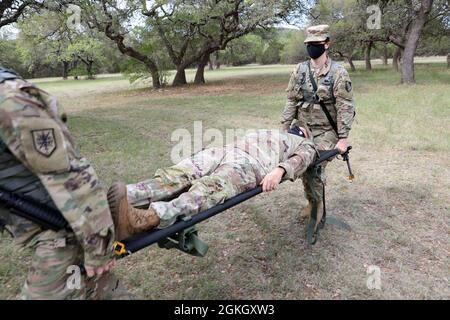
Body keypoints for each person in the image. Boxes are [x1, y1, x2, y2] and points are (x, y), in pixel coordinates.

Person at [0, 67, 131, 299]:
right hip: (36, 224)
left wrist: (99, 246)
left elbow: (70, 174)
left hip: (61, 227)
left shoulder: (8, 100)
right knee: (98, 290)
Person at [107, 127, 318, 240]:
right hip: (223, 150)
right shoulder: (275, 130)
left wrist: (279, 170)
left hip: (250, 165)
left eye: (303, 128)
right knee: (176, 174)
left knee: (207, 190)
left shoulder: (302, 143)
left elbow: (304, 158)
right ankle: (125, 196)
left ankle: (145, 219)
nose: (298, 127)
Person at [279, 24, 355, 226]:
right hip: (302, 127)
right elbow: (291, 101)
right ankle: (312, 202)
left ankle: (317, 206)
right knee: (300, 163)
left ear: (327, 44)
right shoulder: (300, 70)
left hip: (326, 131)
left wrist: (343, 138)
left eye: (317, 44)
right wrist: (284, 129)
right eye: (309, 44)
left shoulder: (338, 73)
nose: (312, 47)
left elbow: (345, 106)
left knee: (314, 164)